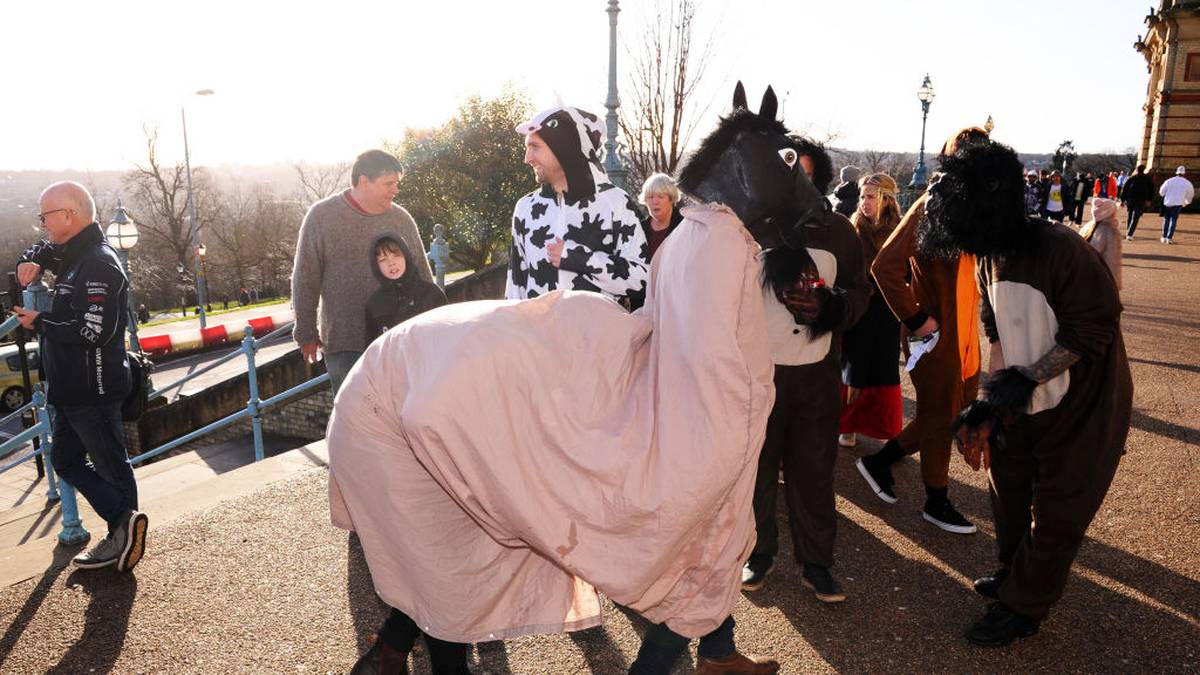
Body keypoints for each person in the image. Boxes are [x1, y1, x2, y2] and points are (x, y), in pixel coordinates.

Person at [935, 137, 1131, 648]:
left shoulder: (1060, 248)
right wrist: (989, 400)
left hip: (1080, 404)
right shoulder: (986, 255)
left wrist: (1026, 379)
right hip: (1023, 399)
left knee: (1059, 511)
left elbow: (1093, 327)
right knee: (1008, 487)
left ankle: (1025, 606)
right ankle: (1014, 572)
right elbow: (996, 327)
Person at [742, 140, 871, 602]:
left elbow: (862, 292)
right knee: (756, 473)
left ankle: (816, 563)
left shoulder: (840, 232)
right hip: (757, 377)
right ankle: (758, 555)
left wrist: (833, 308)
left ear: (820, 178)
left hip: (817, 378)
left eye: (805, 174)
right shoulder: (750, 230)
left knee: (813, 473)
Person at [855, 127, 986, 536]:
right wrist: (914, 318)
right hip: (932, 338)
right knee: (940, 415)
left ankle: (879, 461)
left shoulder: (978, 212)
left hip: (966, 338)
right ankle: (936, 499)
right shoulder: (931, 205)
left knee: (946, 415)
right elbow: (885, 267)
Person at [11, 181, 148, 572]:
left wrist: (40, 321)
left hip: (93, 389)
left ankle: (123, 531)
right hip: (71, 388)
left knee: (110, 463)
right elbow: (44, 251)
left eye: (46, 218)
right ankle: (124, 523)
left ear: (69, 216)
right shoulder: (74, 254)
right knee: (65, 459)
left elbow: (94, 331)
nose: (43, 225)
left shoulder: (99, 263)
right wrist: (33, 257)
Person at [292, 150, 433, 394]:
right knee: (354, 417)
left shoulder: (401, 219)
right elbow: (305, 278)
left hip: (398, 339)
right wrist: (306, 332)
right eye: (388, 184)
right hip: (346, 341)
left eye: (396, 184)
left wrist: (436, 325)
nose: (395, 190)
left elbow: (422, 274)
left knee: (403, 415)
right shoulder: (322, 216)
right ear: (363, 181)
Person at [506, 104, 648, 307]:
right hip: (537, 337)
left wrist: (580, 259)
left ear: (564, 148)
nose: (527, 158)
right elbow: (515, 288)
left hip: (597, 337)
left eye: (535, 147)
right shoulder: (525, 208)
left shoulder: (616, 203)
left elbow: (642, 279)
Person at [837, 173, 904, 450]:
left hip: (888, 309)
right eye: (863, 197)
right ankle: (847, 425)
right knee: (854, 366)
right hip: (861, 307)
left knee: (884, 366)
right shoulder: (853, 227)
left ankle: (881, 425)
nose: (864, 202)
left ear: (886, 198)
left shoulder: (900, 229)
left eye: (870, 197)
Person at [365, 234, 448, 341]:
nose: (391, 263)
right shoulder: (375, 304)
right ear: (376, 266)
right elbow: (373, 349)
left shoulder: (431, 293)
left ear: (406, 257)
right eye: (383, 259)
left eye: (396, 256)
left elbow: (448, 336)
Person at [1077, 198, 1123, 289]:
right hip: (1100, 277)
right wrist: (1113, 283)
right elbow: (1111, 260)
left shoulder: (1089, 226)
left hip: (1083, 271)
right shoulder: (1110, 231)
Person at [639, 173, 685, 261]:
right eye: (650, 197)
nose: (655, 202)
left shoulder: (684, 226)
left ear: (671, 199)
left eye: (661, 197)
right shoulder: (639, 229)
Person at [1158, 165, 1194, 244]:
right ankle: (1169, 238)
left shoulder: (1169, 181)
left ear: (1176, 172)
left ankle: (1164, 236)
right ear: (1184, 173)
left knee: (1166, 219)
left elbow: (1161, 192)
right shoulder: (1188, 183)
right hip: (1178, 203)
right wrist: (1186, 202)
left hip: (1168, 203)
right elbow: (1190, 195)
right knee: (1173, 220)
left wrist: (1164, 195)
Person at [1120, 164, 1154, 240]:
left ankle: (1128, 231)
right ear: (1144, 170)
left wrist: (1122, 200)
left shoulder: (1131, 178)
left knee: (1130, 215)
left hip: (1130, 199)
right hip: (1141, 200)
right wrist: (1149, 200)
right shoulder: (1147, 178)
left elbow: (1124, 189)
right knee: (1136, 217)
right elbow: (1151, 190)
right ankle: (1129, 233)